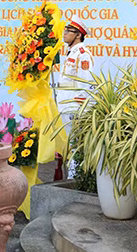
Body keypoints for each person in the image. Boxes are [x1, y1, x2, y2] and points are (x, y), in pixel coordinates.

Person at [55, 15, 94, 178]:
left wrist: (80, 110)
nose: (64, 33)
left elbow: (86, 83)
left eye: (68, 31)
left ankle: (75, 179)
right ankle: (73, 177)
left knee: (76, 145)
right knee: (71, 146)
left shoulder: (83, 54)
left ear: (78, 34)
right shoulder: (71, 53)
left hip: (75, 109)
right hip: (65, 107)